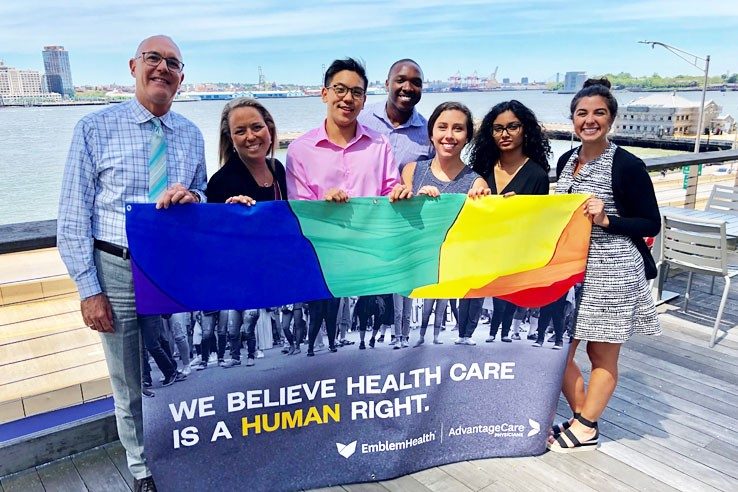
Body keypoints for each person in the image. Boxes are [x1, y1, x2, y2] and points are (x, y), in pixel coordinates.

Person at [57, 35, 206, 491]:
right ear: (133, 66)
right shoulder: (94, 128)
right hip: (117, 270)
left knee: (182, 365)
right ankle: (143, 470)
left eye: (173, 63)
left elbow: (201, 195)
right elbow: (72, 216)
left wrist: (193, 197)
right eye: (153, 59)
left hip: (171, 272)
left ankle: (183, 451)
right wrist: (89, 289)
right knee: (129, 381)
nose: (162, 68)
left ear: (182, 78)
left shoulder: (192, 134)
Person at [548, 78, 661, 453]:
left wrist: (608, 220)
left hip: (612, 271)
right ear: (573, 120)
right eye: (582, 113)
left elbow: (651, 223)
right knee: (560, 349)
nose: (590, 120)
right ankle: (584, 417)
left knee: (602, 353)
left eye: (599, 113)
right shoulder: (567, 160)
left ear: (611, 118)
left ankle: (586, 425)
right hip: (571, 271)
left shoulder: (627, 165)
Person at [286, 57, 400, 357]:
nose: (348, 98)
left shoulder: (380, 145)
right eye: (340, 89)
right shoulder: (299, 149)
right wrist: (324, 204)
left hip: (370, 263)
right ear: (324, 94)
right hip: (325, 262)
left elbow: (391, 192)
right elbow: (299, 211)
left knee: (372, 355)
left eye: (357, 92)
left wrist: (402, 194)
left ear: (364, 101)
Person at [387, 101, 485, 346]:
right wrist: (409, 198)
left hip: (451, 273)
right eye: (442, 127)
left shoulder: (476, 182)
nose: (449, 136)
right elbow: (400, 219)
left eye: (458, 129)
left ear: (467, 137)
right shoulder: (411, 170)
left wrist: (487, 203)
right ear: (431, 133)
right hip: (416, 272)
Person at [205, 97, 286, 367]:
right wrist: (229, 217)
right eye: (241, 131)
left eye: (256, 127)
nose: (251, 136)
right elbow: (214, 243)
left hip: (278, 276)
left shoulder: (279, 170)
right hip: (245, 283)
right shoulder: (220, 182)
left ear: (269, 129)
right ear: (231, 138)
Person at [359, 59, 434, 349]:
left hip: (403, 232)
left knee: (399, 299)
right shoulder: (361, 120)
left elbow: (431, 176)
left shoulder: (427, 133)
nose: (408, 87)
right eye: (401, 80)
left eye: (416, 82)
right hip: (363, 229)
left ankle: (397, 345)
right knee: (363, 297)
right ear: (387, 82)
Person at [469, 100, 551, 343]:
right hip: (481, 261)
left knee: (505, 309)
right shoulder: (480, 169)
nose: (504, 134)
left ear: (525, 129)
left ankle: (503, 335)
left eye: (512, 127)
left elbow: (539, 226)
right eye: (497, 128)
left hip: (514, 264)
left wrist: (519, 211)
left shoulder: (537, 175)